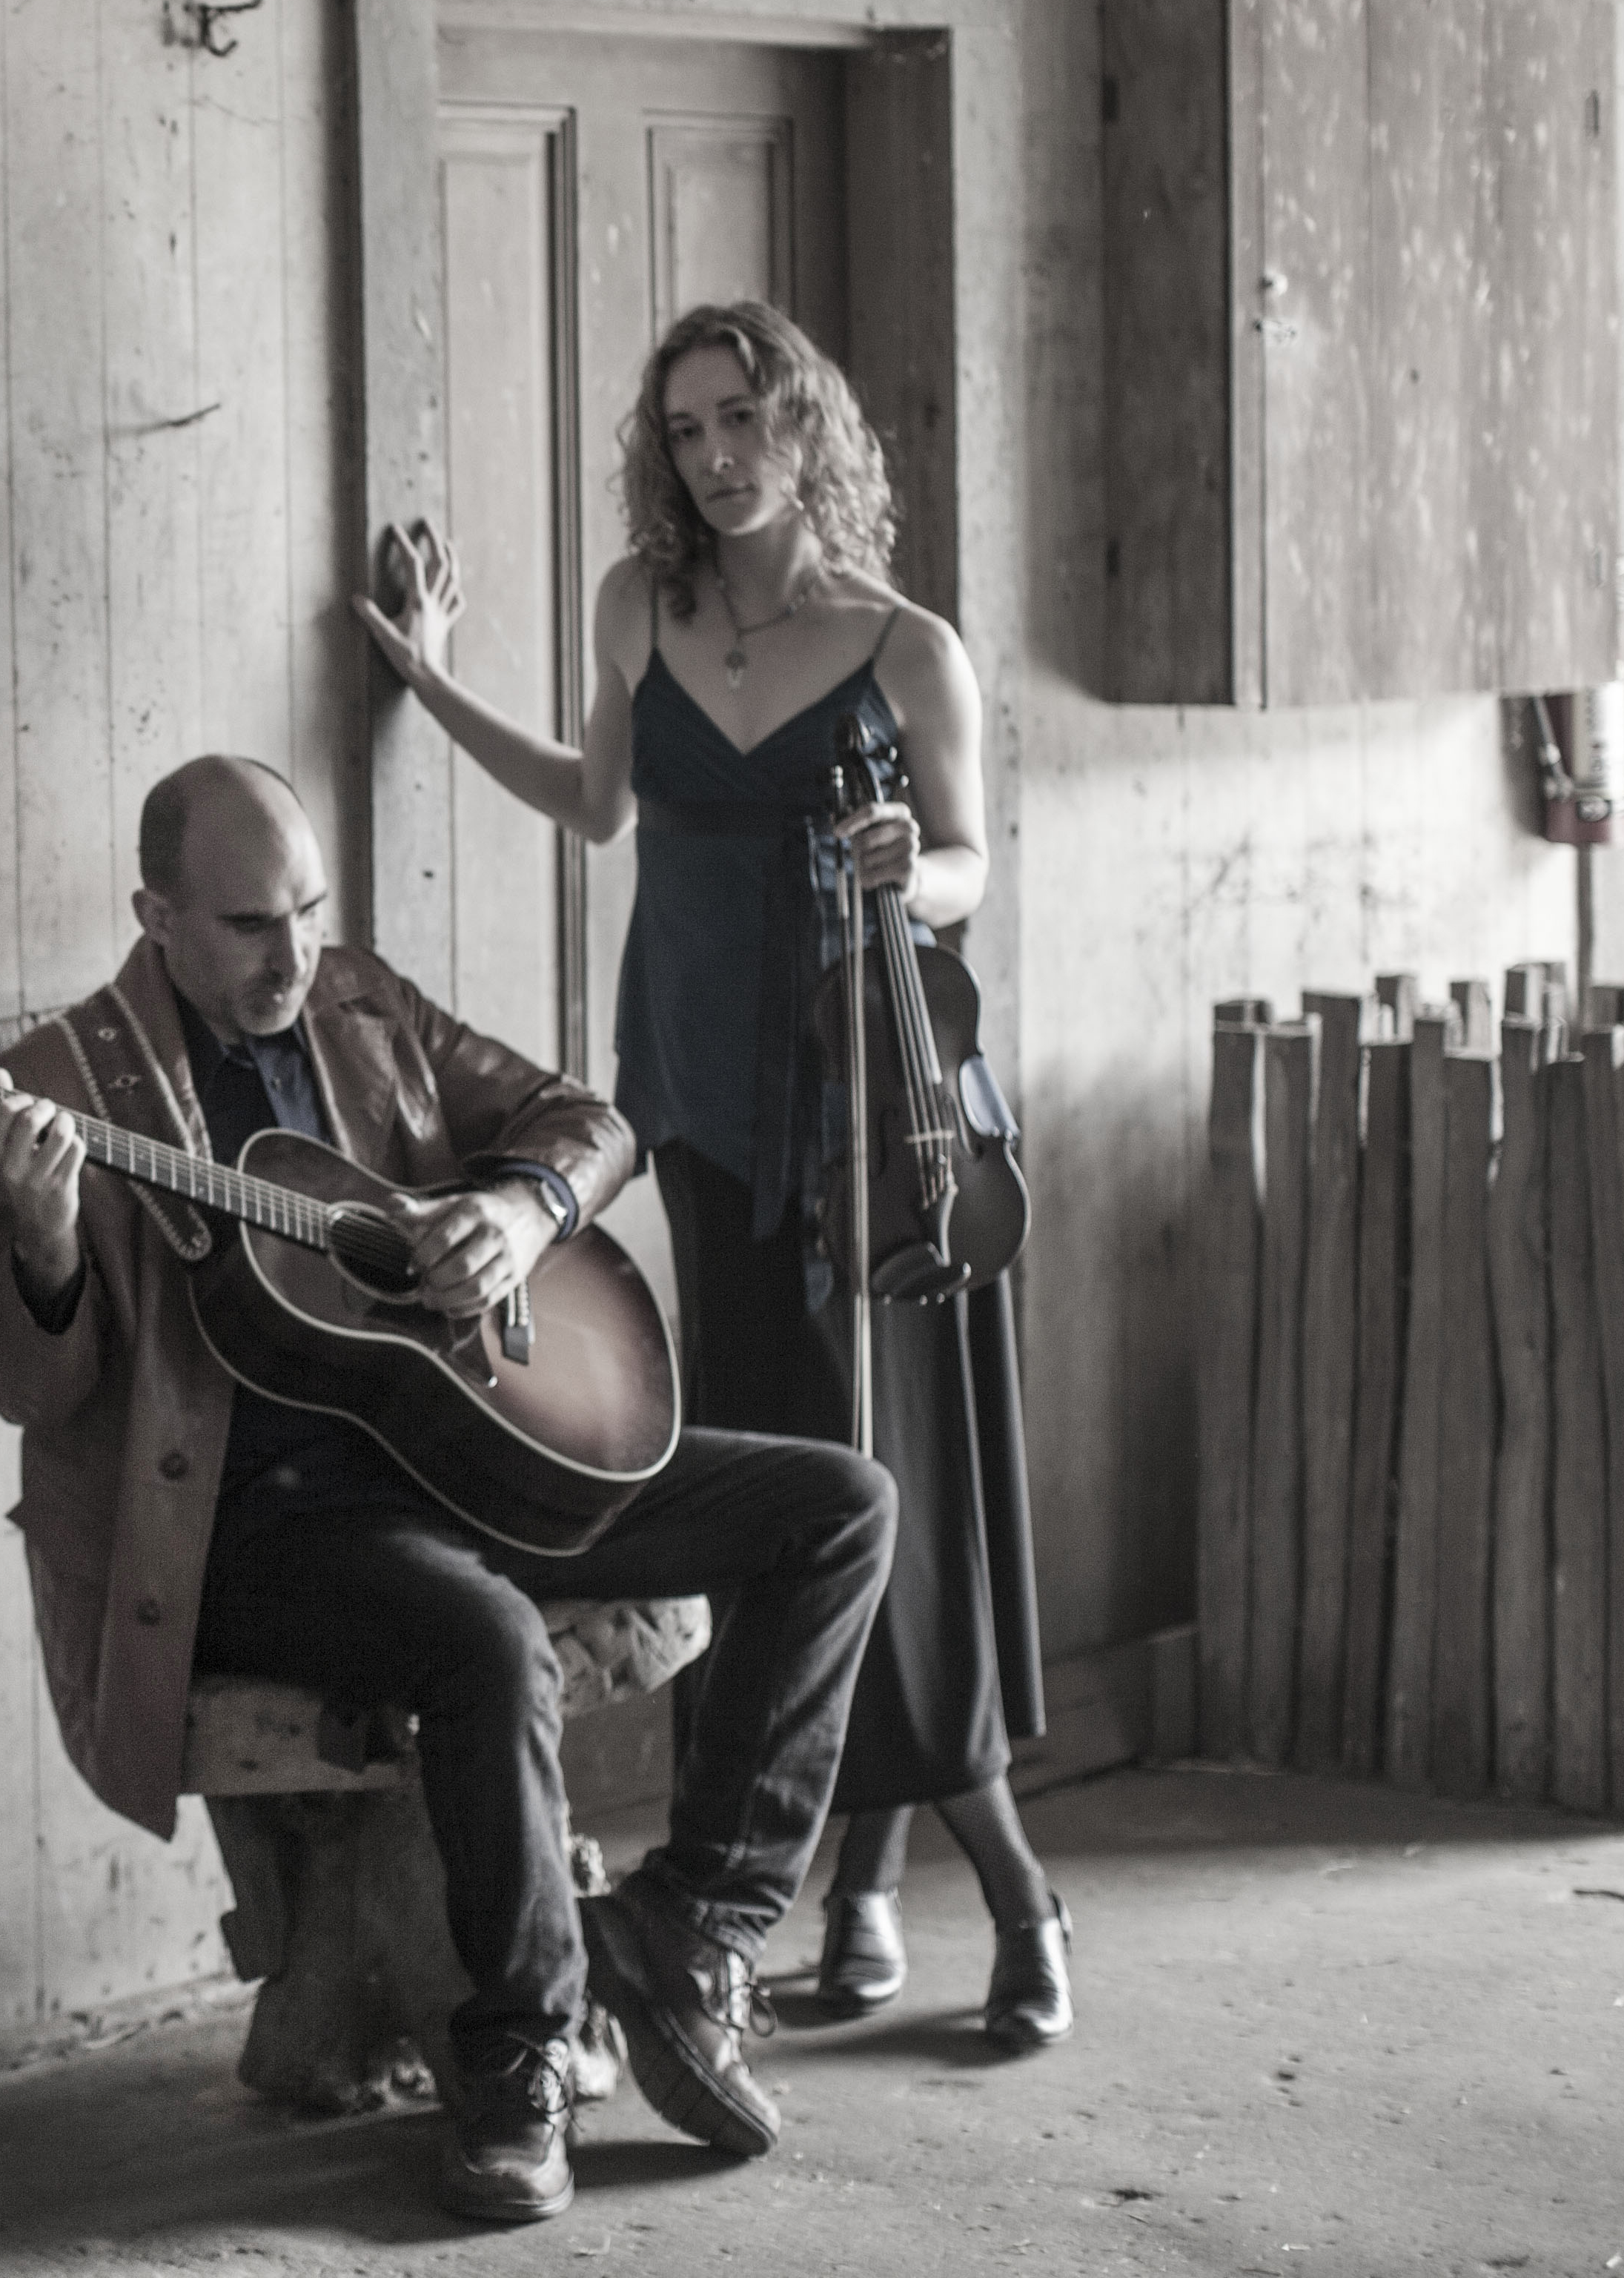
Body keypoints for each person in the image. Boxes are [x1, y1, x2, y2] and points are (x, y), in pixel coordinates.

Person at [0, 754, 897, 2227]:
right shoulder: (66, 1084)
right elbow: (32, 1391)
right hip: (259, 1523)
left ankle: (687, 1927)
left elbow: (591, 1121)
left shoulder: (363, 1004)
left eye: (312, 913)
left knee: (837, 1504)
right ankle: (522, 2050)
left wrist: (520, 1215)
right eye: (252, 925)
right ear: (154, 913)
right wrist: (44, 1246)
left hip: (469, 1447)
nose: (294, 956)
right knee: (487, 1641)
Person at [356, 297, 1071, 2050]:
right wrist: (428, 679)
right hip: (696, 1126)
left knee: (891, 1515)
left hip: (872, 1141)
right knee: (782, 1527)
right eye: (686, 428)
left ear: (807, 424)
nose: (717, 452)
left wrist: (921, 864)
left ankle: (1009, 1889)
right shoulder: (640, 605)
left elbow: (974, 860)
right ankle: (860, 1897)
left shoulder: (908, 645)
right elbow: (595, 804)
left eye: (745, 415)